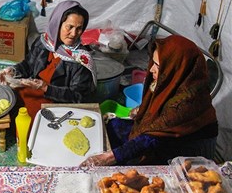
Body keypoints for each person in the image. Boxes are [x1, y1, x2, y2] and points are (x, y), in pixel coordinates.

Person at [80, 35, 218, 166]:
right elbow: (157, 110)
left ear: (175, 68)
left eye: (158, 66)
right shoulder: (173, 83)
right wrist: (141, 109)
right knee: (113, 126)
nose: (151, 69)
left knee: (126, 159)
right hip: (161, 138)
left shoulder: (187, 103)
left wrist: (109, 157)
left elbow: (152, 139)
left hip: (184, 152)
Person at [0, 0, 97, 121]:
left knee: (29, 120)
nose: (74, 33)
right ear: (57, 24)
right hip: (32, 91)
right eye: (69, 27)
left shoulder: (81, 59)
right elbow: (28, 65)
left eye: (79, 28)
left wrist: (46, 88)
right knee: (5, 100)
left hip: (56, 102)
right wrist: (12, 71)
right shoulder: (43, 42)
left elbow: (78, 96)